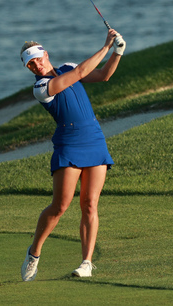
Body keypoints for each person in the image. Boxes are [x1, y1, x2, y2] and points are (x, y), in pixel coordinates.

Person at [20, 29, 125, 281]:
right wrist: (105, 46)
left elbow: (103, 75)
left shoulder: (67, 65)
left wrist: (118, 52)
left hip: (94, 139)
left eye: (37, 59)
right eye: (29, 64)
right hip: (69, 143)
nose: (35, 65)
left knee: (90, 204)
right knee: (60, 206)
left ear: (45, 54)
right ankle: (34, 252)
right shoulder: (41, 87)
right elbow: (78, 74)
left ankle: (86, 263)